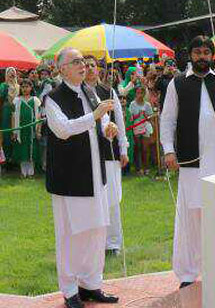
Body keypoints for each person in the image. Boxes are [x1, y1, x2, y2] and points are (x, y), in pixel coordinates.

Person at [45, 47, 119, 307]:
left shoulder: (90, 92)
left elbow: (102, 121)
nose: (83, 66)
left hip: (94, 173)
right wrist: (95, 117)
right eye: (76, 62)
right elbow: (63, 130)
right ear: (61, 68)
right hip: (69, 176)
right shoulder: (52, 98)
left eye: (84, 62)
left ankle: (91, 284)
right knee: (70, 235)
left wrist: (107, 126)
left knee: (97, 229)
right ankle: (70, 290)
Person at [160, 35, 215, 290]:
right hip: (190, 160)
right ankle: (188, 272)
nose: (202, 56)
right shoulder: (177, 83)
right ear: (190, 56)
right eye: (197, 52)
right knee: (190, 216)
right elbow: (167, 120)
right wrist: (168, 150)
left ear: (212, 55)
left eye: (206, 52)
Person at [84, 56, 128, 255]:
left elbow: (119, 119)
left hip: (109, 151)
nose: (89, 69)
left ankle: (113, 243)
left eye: (92, 65)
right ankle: (93, 242)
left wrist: (123, 148)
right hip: (87, 151)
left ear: (99, 69)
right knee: (91, 197)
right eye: (85, 66)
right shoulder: (79, 93)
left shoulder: (108, 91)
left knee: (111, 198)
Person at [12, 79, 41, 179]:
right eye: (23, 87)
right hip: (21, 130)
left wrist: (38, 130)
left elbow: (39, 116)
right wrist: (14, 130)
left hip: (32, 129)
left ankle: (31, 172)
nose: (25, 89)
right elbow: (14, 116)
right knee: (22, 150)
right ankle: (23, 172)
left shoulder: (35, 100)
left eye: (27, 86)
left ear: (31, 87)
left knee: (31, 150)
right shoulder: (17, 100)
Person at [129, 85, 153, 176]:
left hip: (145, 127)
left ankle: (146, 167)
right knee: (137, 147)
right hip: (136, 127)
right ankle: (138, 169)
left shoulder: (147, 105)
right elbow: (131, 118)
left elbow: (150, 117)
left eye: (141, 93)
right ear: (135, 93)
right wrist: (138, 115)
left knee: (145, 148)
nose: (140, 95)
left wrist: (146, 117)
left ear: (144, 93)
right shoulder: (132, 104)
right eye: (138, 93)